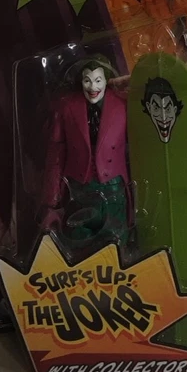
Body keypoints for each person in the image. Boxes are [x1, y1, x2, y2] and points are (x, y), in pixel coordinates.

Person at [41, 56, 130, 255]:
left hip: (114, 188)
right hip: (78, 189)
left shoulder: (123, 105)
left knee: (115, 244)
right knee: (78, 242)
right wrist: (51, 201)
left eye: (98, 80)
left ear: (107, 80)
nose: (92, 87)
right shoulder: (67, 107)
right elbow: (56, 155)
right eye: (87, 80)